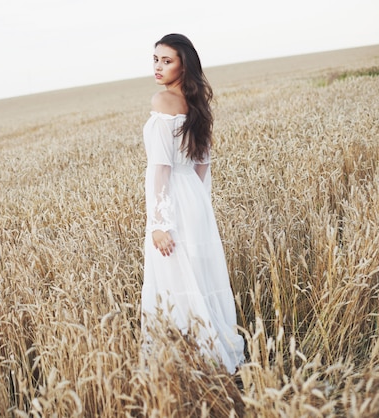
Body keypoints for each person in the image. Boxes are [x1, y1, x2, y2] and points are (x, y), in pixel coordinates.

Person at [141, 33, 244, 373]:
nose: (158, 66)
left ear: (184, 64)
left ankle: (188, 365)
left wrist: (159, 223)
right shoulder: (199, 105)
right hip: (194, 201)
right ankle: (215, 357)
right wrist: (194, 202)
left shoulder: (162, 101)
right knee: (200, 277)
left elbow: (160, 169)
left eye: (166, 60)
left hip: (170, 202)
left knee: (175, 282)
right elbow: (202, 164)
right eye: (155, 59)